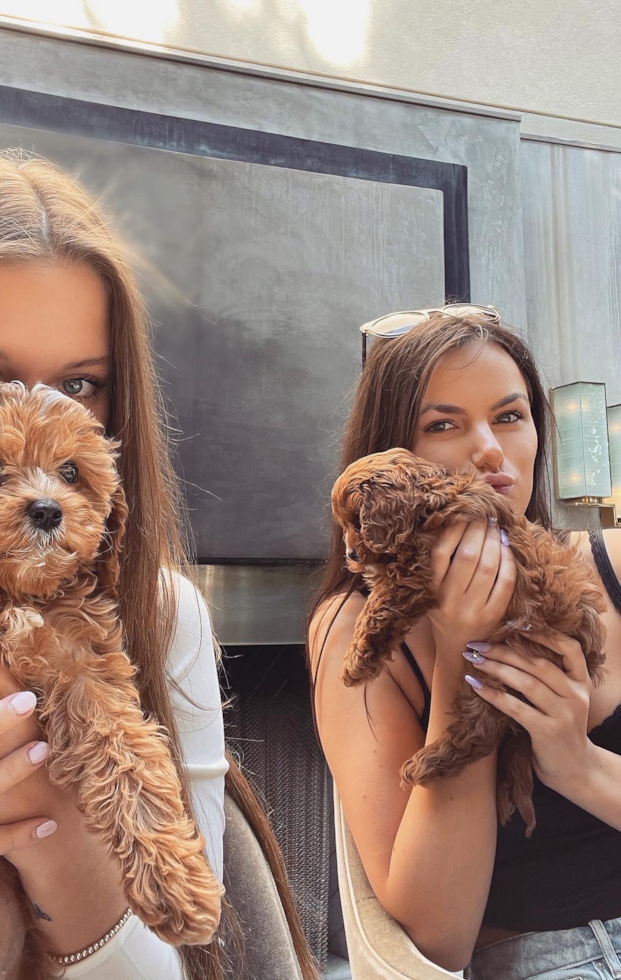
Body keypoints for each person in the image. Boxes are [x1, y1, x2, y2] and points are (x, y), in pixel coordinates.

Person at [0, 150, 313, 980]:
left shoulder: (162, 613)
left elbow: (189, 957)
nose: (30, 411)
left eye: (80, 384)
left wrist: (50, 821)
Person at [309, 308, 621, 980]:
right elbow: (435, 937)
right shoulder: (358, 630)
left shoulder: (611, 566)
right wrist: (459, 663)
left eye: (510, 416)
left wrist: (578, 765)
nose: (490, 451)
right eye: (443, 425)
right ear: (393, 459)